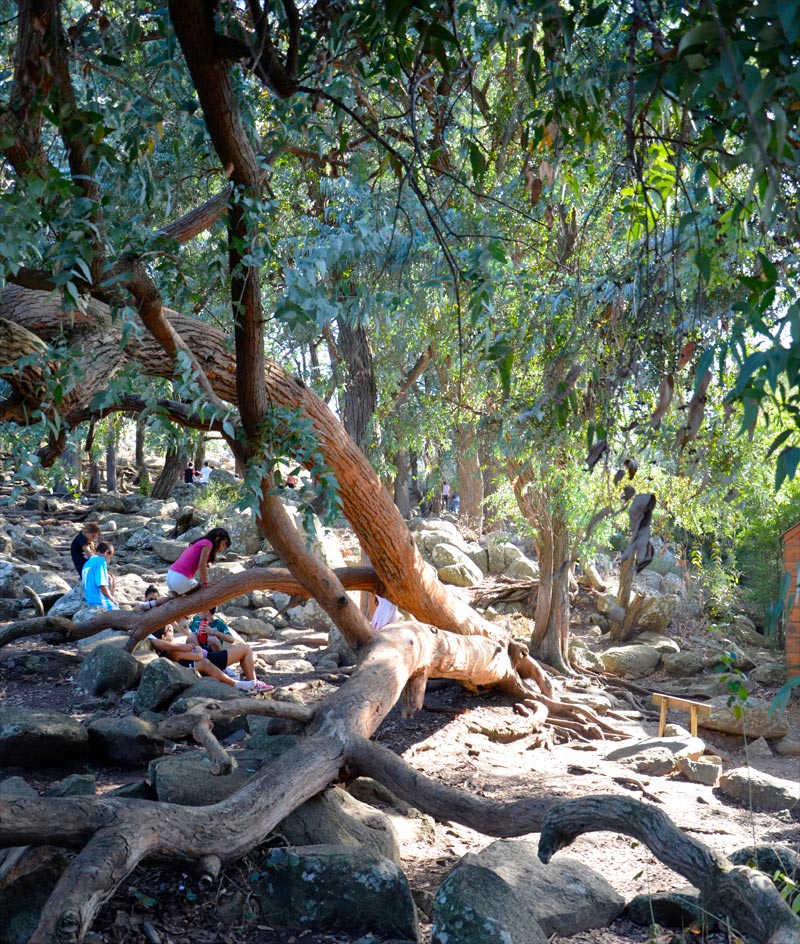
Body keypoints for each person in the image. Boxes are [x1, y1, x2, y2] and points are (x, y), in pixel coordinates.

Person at [148, 620, 272, 692]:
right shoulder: (172, 651)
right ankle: (250, 683)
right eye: (169, 630)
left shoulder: (173, 648)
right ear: (163, 637)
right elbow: (199, 657)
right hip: (208, 660)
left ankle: (253, 682)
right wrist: (196, 648)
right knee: (245, 650)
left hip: (209, 657)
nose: (172, 631)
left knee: (245, 650)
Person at [141, 528, 232, 610]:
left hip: (170, 574)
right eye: (223, 545)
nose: (222, 548)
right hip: (180, 578)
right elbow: (202, 565)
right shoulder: (208, 544)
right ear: (217, 539)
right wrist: (205, 583)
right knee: (202, 590)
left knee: (176, 600)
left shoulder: (199, 542)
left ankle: (147, 605)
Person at [82, 542, 118, 610]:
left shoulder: (87, 563)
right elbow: (101, 584)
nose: (108, 561)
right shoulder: (100, 561)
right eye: (110, 558)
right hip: (100, 601)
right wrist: (111, 598)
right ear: (106, 552)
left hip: (89, 601)